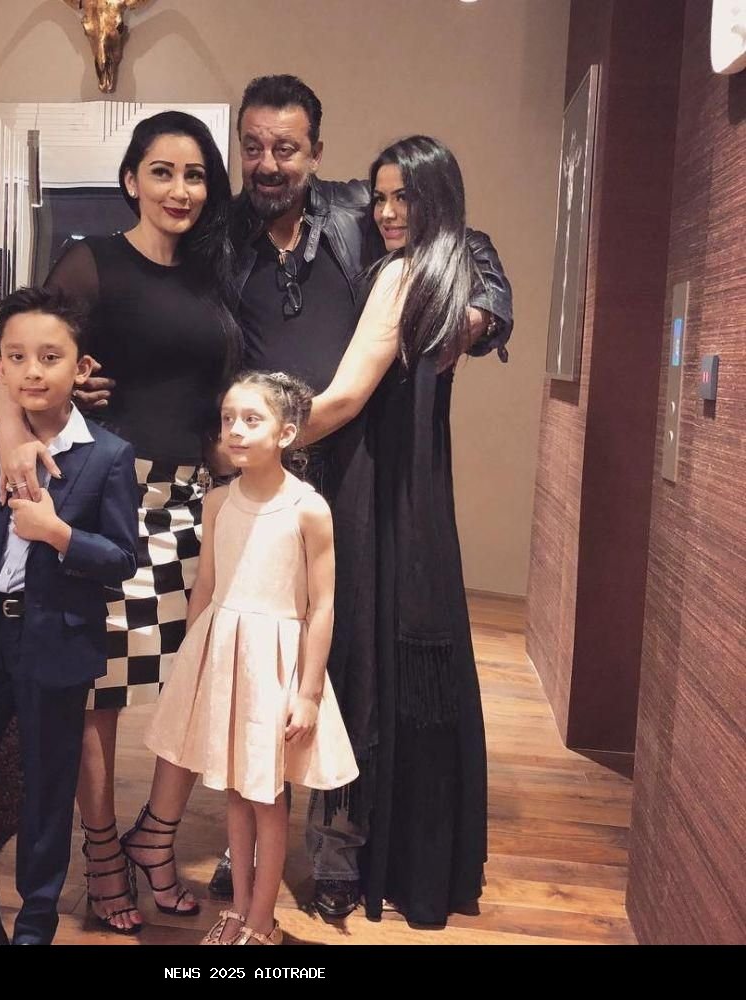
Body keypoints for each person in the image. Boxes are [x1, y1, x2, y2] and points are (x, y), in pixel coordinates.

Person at [205, 74, 513, 919]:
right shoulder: (220, 237)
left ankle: (337, 842)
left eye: (286, 147)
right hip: (255, 476)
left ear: (315, 150)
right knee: (257, 654)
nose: (268, 163)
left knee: (345, 654)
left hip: (353, 472)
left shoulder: (356, 211)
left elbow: (463, 238)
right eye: (254, 147)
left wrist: (485, 311)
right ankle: (248, 842)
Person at [0, 111, 239, 933]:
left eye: (195, 174)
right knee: (98, 690)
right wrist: (14, 441)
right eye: (162, 171)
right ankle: (101, 853)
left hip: (195, 501)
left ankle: (156, 839)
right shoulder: (91, 261)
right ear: (131, 179)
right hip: (110, 495)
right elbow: (25, 355)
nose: (180, 189)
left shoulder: (215, 276)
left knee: (195, 681)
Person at [305, 135, 499, 925]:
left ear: (435, 199)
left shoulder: (408, 271)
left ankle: (346, 855)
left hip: (369, 481)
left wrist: (248, 440)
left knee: (357, 659)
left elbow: (346, 399)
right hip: (416, 490)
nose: (386, 212)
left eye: (403, 197)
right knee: (404, 660)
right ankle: (414, 859)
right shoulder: (441, 270)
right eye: (380, 197)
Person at [0, 286, 138, 945]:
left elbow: (122, 559)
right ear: (1, 368)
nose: (32, 371)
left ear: (81, 367)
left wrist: (58, 534)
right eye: (16, 357)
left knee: (45, 795)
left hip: (56, 642)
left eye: (50, 356)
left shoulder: (108, 454)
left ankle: (35, 928)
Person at [145, 371, 358, 945]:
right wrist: (191, 665)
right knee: (236, 792)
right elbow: (206, 586)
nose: (235, 430)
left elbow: (323, 606)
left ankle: (264, 921)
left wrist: (308, 692)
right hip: (225, 658)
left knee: (267, 796)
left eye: (251, 419)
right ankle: (239, 910)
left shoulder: (308, 509)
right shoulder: (218, 502)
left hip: (275, 666)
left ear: (286, 433)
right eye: (227, 419)